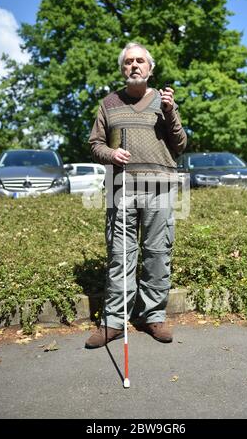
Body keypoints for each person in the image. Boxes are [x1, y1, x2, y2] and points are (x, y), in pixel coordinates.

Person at [85, 42, 187, 349]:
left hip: (160, 187)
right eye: (128, 62)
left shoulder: (164, 102)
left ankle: (152, 316)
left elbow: (180, 144)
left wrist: (169, 112)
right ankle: (114, 322)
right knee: (121, 255)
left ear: (150, 68)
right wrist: (111, 153)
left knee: (158, 252)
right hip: (121, 188)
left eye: (140, 61)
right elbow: (94, 144)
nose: (134, 65)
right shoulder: (108, 103)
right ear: (122, 68)